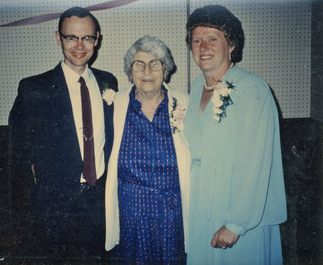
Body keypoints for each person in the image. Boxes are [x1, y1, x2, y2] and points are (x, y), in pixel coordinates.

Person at [8, 6, 117, 262]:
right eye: (71, 37)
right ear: (58, 37)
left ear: (96, 39)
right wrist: (40, 182)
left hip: (98, 204)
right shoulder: (34, 88)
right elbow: (16, 147)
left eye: (87, 38)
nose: (79, 45)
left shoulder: (108, 82)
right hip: (53, 211)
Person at [184, 4, 287, 265]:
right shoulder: (196, 87)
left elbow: (257, 163)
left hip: (239, 212)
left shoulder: (252, 90)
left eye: (212, 39)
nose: (203, 47)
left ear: (231, 45)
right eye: (196, 40)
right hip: (201, 207)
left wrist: (236, 225)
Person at [105, 35, 191, 265]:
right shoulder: (115, 106)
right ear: (130, 71)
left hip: (171, 214)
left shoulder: (185, 103)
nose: (147, 70)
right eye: (139, 64)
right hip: (131, 215)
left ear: (165, 70)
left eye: (155, 63)